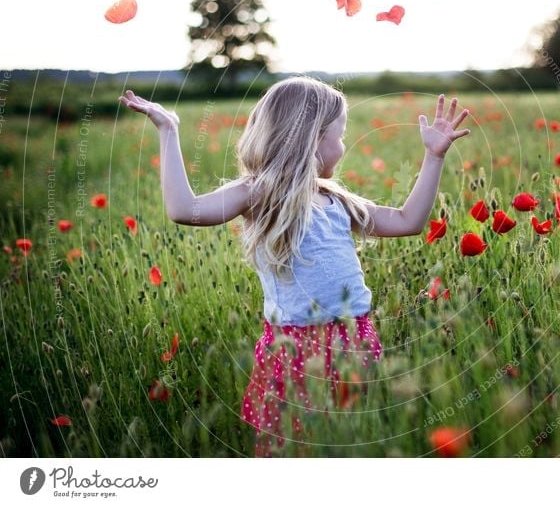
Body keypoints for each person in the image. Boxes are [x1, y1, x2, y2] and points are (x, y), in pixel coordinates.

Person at [118, 77, 470, 456]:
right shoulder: (260, 193)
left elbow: (407, 221)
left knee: (350, 443)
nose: (344, 144)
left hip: (354, 340)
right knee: (293, 448)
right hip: (294, 348)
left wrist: (434, 158)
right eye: (340, 134)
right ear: (313, 137)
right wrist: (169, 131)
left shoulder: (336, 200)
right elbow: (184, 210)